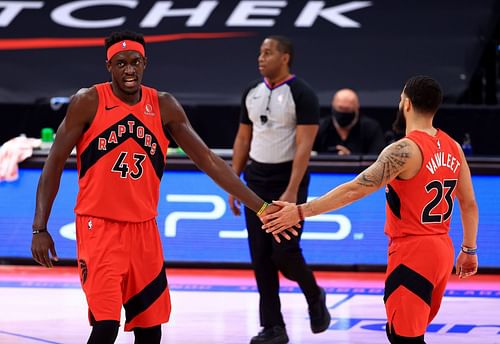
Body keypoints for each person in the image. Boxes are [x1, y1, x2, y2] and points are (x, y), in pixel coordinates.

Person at [30, 30, 284, 344]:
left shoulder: (163, 105)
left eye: (135, 62)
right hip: (99, 229)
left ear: (145, 63)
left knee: (151, 331)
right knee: (106, 327)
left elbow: (208, 159)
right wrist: (39, 227)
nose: (129, 69)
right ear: (109, 66)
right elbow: (53, 163)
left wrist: (259, 206)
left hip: (144, 232)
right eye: (120, 63)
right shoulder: (89, 101)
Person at [262, 76, 479, 343]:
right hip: (442, 250)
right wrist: (469, 249)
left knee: (405, 338)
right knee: (402, 331)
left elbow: (355, 189)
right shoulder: (454, 147)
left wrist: (299, 211)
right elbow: (468, 203)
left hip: (413, 251)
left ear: (407, 104)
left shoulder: (404, 150)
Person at [228, 35, 330, 344]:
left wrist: (291, 189)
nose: (261, 57)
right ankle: (273, 327)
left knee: (284, 254)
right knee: (260, 257)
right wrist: (234, 182)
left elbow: (304, 146)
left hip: (287, 180)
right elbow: (243, 139)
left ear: (285, 58)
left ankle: (314, 294)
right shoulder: (252, 91)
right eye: (260, 52)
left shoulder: (303, 93)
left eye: (268, 52)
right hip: (255, 182)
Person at [314, 88, 385, 155]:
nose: (343, 113)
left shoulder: (371, 128)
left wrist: (350, 158)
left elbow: (377, 160)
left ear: (357, 107)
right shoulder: (319, 128)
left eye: (347, 109)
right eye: (340, 108)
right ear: (333, 105)